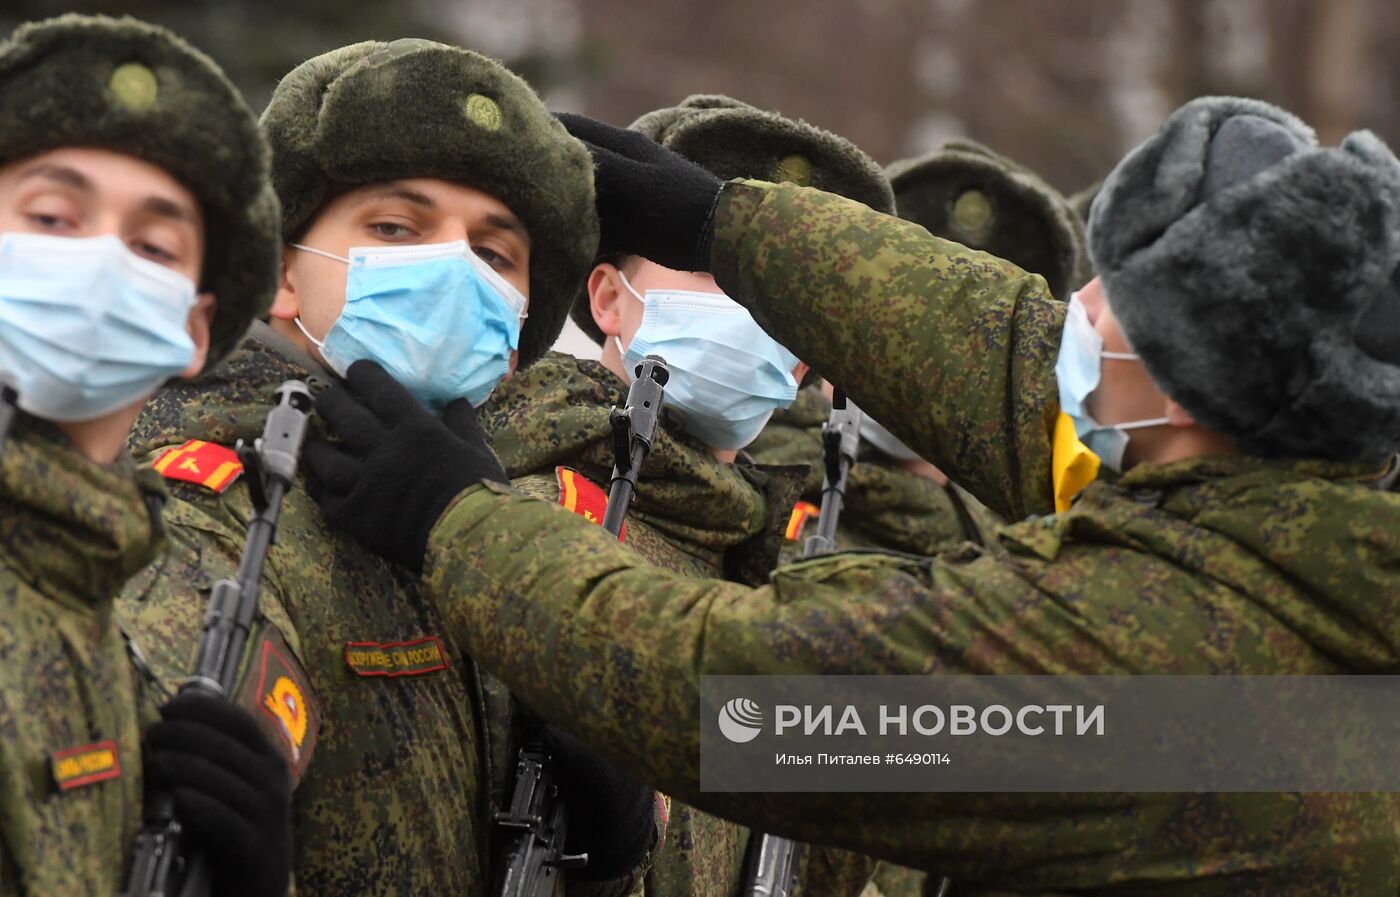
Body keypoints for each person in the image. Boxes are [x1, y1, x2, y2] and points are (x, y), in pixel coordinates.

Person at [307, 96, 1400, 895]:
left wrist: (459, 524)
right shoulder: (1300, 541)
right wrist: (723, 226)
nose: (1079, 312)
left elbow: (737, 702)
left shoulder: (1157, 679)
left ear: (1186, 383)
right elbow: (1010, 367)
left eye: (1112, 298)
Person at [116, 38, 658, 897]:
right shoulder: (218, 508)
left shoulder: (512, 523)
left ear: (515, 337)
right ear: (280, 272)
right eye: (396, 228)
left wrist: (607, 855)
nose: (452, 267)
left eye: (493, 254)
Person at [479, 93, 897, 897]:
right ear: (607, 298)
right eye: (717, 270)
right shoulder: (515, 524)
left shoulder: (775, 571)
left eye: (779, 292)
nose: (751, 313)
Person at [0, 14, 292, 897]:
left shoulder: (89, 572)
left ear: (193, 328)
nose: (96, 264)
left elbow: (732, 772)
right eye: (52, 216)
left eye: (151, 246)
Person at [749, 139, 1086, 558]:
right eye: (900, 316)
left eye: (969, 340)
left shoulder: (1028, 545)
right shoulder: (748, 469)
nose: (924, 361)